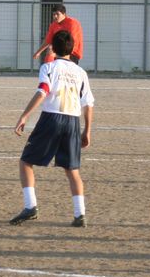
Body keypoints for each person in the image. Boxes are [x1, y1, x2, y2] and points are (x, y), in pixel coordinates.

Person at [10, 30, 94, 228]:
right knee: (72, 170)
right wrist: (87, 130)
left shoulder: (48, 67)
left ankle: (30, 207)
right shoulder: (81, 73)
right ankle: (80, 215)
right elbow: (88, 104)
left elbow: (43, 91)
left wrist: (25, 115)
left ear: (53, 48)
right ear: (72, 49)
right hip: (73, 122)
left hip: (52, 119)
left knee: (26, 162)